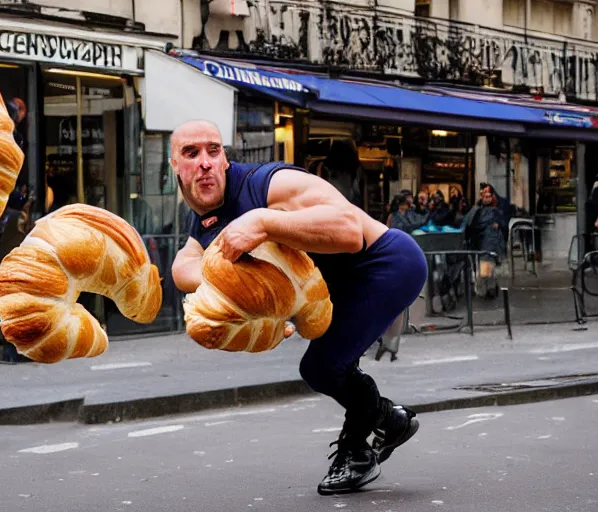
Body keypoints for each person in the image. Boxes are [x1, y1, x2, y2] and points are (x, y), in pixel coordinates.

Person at [169, 120, 427, 495]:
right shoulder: (205, 217)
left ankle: (370, 440)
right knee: (331, 364)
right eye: (192, 153)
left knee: (322, 367)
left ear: (225, 160)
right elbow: (186, 263)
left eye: (214, 150)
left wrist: (264, 222)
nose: (206, 161)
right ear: (174, 165)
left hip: (385, 263)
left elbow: (349, 230)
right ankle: (385, 426)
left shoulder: (270, 183)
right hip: (333, 286)